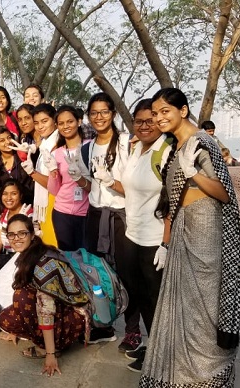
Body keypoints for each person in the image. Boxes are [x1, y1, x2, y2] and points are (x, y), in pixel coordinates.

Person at [140, 88, 240, 387]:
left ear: (183, 110)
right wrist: (165, 242)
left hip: (207, 230)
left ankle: (208, 377)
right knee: (183, 306)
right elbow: (170, 200)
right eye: (156, 113)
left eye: (166, 111)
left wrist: (194, 174)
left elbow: (224, 192)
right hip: (183, 230)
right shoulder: (176, 146)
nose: (159, 117)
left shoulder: (202, 142)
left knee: (204, 306)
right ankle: (180, 375)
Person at [0, 214, 88, 377]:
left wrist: (50, 355)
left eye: (22, 233)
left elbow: (46, 309)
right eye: (12, 235)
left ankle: (49, 346)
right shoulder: (31, 254)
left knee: (21, 297)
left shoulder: (43, 265)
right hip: (60, 307)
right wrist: (16, 329)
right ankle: (42, 337)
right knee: (5, 319)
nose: (16, 239)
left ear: (32, 235)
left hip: (74, 317)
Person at [119, 99, 172, 372]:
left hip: (154, 239)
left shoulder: (166, 151)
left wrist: (166, 242)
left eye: (149, 120)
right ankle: (154, 346)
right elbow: (130, 188)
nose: (144, 125)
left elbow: (174, 199)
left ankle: (162, 355)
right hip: (133, 234)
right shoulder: (137, 148)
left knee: (156, 298)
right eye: (138, 121)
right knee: (139, 294)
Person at [79, 92, 135, 348]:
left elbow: (135, 188)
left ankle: (132, 330)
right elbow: (91, 187)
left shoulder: (126, 143)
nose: (99, 117)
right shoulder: (88, 147)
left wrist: (112, 182)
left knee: (126, 272)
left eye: (104, 112)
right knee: (97, 273)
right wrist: (77, 176)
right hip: (95, 215)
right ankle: (104, 324)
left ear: (113, 113)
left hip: (120, 217)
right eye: (94, 113)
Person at [46, 106, 89, 251]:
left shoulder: (90, 146)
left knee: (86, 257)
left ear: (79, 121)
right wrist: (53, 174)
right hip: (61, 213)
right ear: (57, 126)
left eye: (70, 121)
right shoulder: (57, 153)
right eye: (61, 123)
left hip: (86, 213)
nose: (66, 126)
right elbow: (54, 190)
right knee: (67, 257)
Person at [18, 103, 58, 247]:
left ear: (54, 120)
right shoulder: (45, 144)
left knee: (54, 246)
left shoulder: (57, 144)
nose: (40, 126)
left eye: (44, 121)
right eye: (36, 123)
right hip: (46, 203)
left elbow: (54, 184)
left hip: (55, 203)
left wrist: (32, 173)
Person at [0, 180, 39, 255]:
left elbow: (35, 245)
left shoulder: (29, 214)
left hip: (27, 257)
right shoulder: (2, 217)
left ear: (21, 196)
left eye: (13, 194)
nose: (9, 198)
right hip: (9, 259)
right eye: (5, 194)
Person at [0, 126, 33, 204]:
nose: (7, 142)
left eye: (9, 138)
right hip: (7, 204)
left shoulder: (22, 155)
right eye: (2, 140)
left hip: (27, 201)